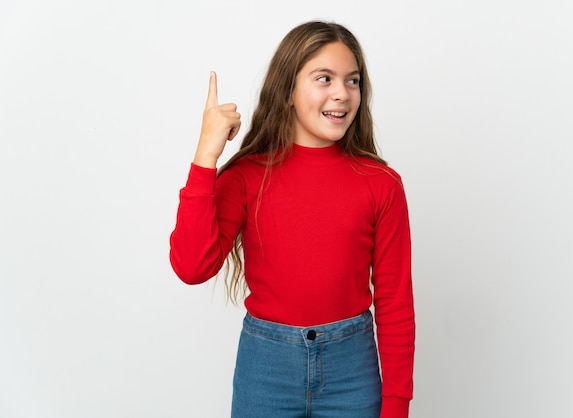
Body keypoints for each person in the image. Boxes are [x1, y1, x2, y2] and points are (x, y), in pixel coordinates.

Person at [169, 21, 415, 418]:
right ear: (287, 91)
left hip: (353, 368)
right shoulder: (247, 177)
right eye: (324, 78)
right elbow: (192, 266)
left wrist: (397, 404)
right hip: (266, 367)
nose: (342, 93)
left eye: (352, 81)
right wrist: (205, 157)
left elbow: (396, 302)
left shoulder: (381, 185)